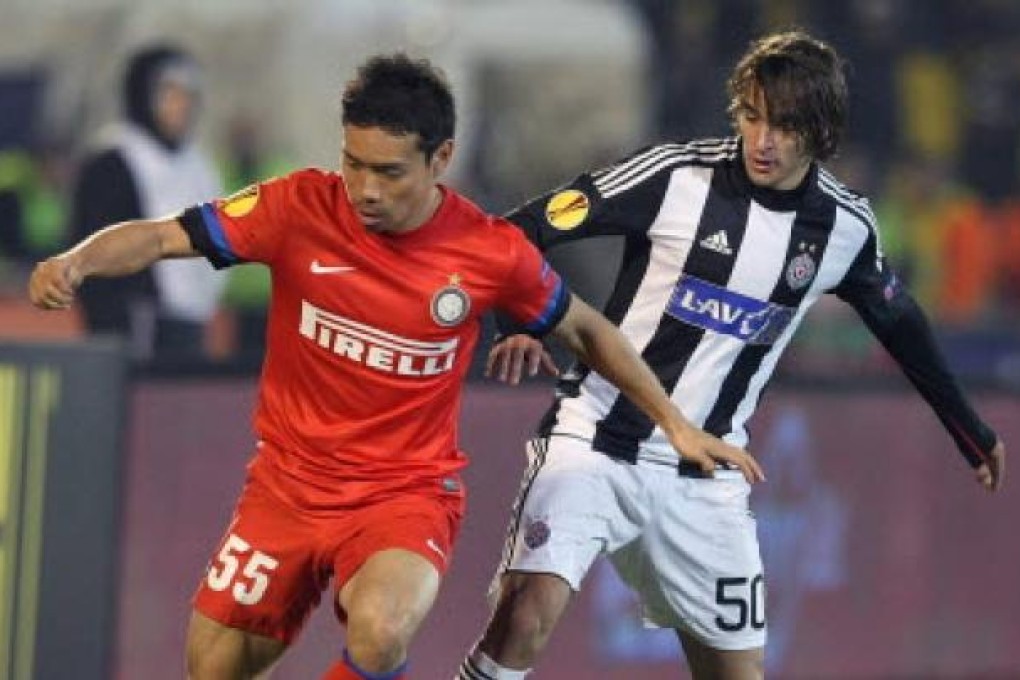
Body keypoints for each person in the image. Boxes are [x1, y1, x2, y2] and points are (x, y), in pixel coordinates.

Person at [28, 54, 763, 680]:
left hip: (402, 496)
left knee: (380, 630)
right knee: (209, 666)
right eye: (353, 163)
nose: (366, 189)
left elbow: (588, 330)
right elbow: (163, 238)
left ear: (441, 159)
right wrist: (78, 258)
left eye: (389, 171)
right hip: (284, 488)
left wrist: (674, 423)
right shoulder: (296, 207)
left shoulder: (489, 252)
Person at [457, 30, 1006, 680]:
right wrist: (517, 314)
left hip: (705, 471)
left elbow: (900, 322)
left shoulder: (842, 228)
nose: (762, 140)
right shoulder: (673, 176)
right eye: (752, 116)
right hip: (595, 439)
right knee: (525, 613)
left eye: (783, 125)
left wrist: (969, 430)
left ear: (821, 132)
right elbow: (521, 229)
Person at [67, 43, 225, 362]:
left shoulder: (200, 165)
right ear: (144, 94)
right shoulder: (113, 161)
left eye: (189, 95)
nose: (181, 105)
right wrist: (115, 321)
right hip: (131, 329)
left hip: (189, 324)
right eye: (170, 92)